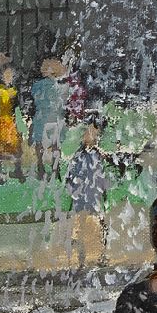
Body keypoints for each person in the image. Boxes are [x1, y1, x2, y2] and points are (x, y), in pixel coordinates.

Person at [66, 113, 110, 269]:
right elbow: (70, 175)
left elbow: (102, 175)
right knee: (81, 224)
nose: (88, 135)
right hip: (81, 193)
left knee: (101, 222)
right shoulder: (79, 155)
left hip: (94, 192)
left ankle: (103, 254)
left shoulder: (98, 154)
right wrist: (73, 190)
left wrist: (104, 189)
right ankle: (81, 259)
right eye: (87, 132)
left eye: (92, 133)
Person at [29, 57, 69, 179]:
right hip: (54, 118)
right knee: (54, 145)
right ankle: (54, 169)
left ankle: (41, 168)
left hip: (44, 117)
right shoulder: (60, 86)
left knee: (40, 144)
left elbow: (35, 99)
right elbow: (62, 103)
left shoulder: (38, 85)